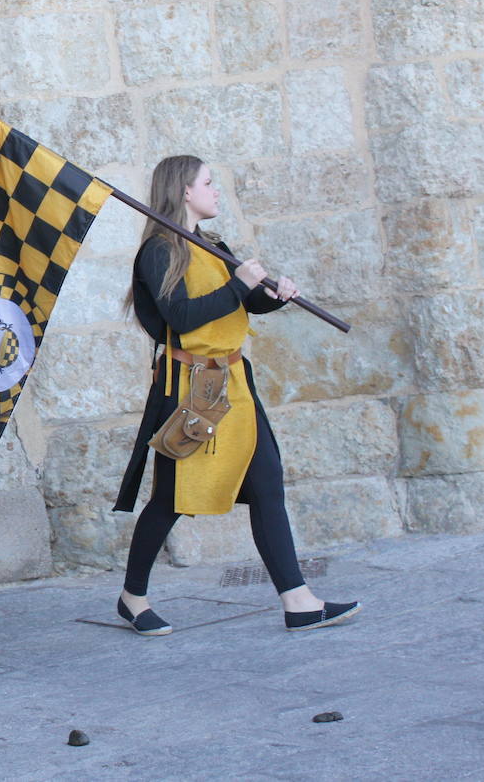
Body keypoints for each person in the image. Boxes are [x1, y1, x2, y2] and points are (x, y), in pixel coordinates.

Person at [113, 156, 359, 635]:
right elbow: (182, 317)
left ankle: (299, 601)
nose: (215, 191)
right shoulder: (158, 252)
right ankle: (132, 597)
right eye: (208, 183)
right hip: (191, 388)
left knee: (267, 483)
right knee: (172, 498)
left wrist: (272, 295)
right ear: (185, 190)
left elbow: (242, 302)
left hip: (234, 382)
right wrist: (238, 283)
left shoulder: (212, 245)